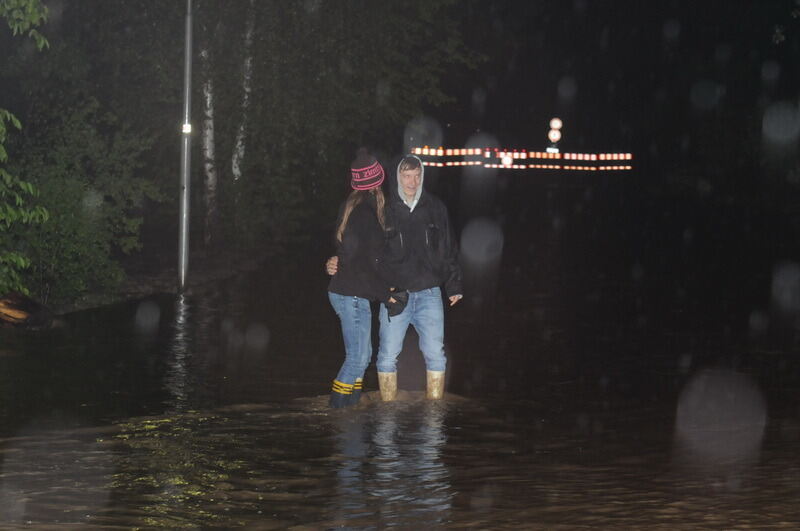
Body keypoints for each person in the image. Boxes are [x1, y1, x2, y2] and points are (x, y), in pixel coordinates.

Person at [327, 154, 462, 401]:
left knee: (434, 353)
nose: (412, 181)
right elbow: (361, 248)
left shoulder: (435, 208)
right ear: (396, 178)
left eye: (417, 175)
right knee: (382, 355)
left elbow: (448, 247)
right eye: (407, 175)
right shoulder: (383, 210)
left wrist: (454, 284)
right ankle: (377, 414)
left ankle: (434, 414)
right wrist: (337, 260)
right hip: (393, 293)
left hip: (428, 292)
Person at [326, 148, 389, 408]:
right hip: (350, 293)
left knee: (363, 357)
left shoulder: (353, 207)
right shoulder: (366, 214)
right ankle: (337, 412)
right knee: (356, 358)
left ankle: (350, 411)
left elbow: (347, 251)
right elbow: (365, 261)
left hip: (350, 292)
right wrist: (388, 294)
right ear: (378, 183)